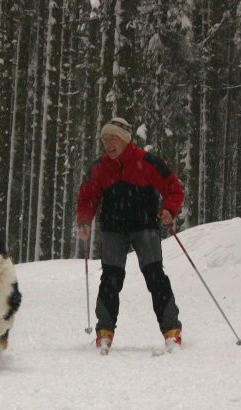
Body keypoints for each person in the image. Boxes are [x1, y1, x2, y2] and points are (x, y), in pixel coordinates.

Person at [76, 117, 185, 354]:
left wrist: (168, 209)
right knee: (111, 279)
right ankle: (104, 332)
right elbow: (87, 197)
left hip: (145, 227)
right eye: (105, 139)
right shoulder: (99, 167)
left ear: (125, 140)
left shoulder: (148, 162)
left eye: (113, 138)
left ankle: (171, 331)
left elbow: (173, 188)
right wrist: (84, 221)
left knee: (154, 276)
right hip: (113, 229)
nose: (108, 144)